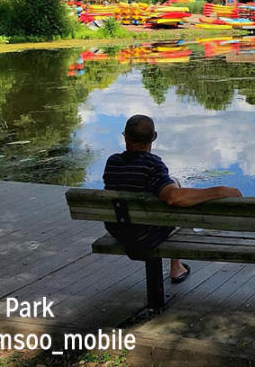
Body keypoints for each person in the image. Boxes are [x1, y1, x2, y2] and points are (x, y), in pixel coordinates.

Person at [103, 114, 242, 284]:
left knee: (172, 184)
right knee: (177, 199)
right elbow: (174, 198)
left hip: (117, 230)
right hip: (144, 235)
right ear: (154, 137)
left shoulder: (113, 162)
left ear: (125, 136)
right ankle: (176, 268)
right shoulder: (152, 165)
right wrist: (219, 191)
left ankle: (176, 267)